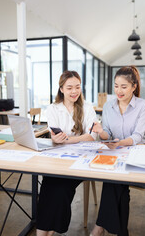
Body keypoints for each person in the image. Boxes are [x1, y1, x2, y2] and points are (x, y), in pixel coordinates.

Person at [90, 66, 145, 236]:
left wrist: (120, 143)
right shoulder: (109, 106)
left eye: (124, 87)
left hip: (136, 153)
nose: (119, 90)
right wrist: (101, 132)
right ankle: (121, 232)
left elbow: (138, 136)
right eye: (116, 86)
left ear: (134, 86)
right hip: (114, 152)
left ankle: (100, 226)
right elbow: (107, 132)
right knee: (119, 185)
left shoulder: (143, 105)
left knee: (114, 180)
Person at [36, 70, 98, 236]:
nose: (74, 91)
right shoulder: (53, 108)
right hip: (58, 159)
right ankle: (43, 232)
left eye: (77, 87)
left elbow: (92, 136)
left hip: (81, 161)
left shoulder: (86, 107)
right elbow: (54, 135)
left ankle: (53, 230)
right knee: (48, 186)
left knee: (62, 188)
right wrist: (57, 139)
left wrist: (68, 140)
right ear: (61, 89)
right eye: (69, 87)